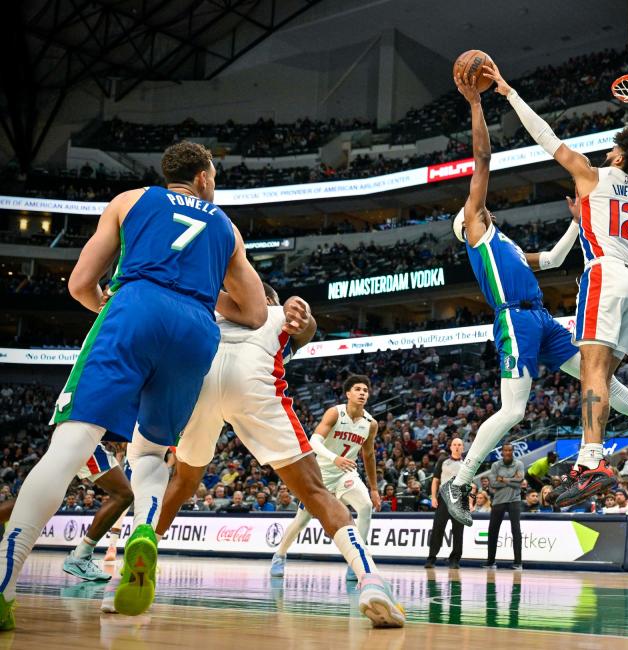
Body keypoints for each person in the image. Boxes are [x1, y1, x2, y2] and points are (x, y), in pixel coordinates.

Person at [0, 141, 268, 627]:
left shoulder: (130, 199)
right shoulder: (225, 228)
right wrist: (200, 298)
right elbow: (254, 313)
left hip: (135, 304)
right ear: (204, 178)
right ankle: (144, 531)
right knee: (148, 454)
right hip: (194, 328)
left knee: (69, 446)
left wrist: (108, 303)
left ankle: (4, 580)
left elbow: (80, 283)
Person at [440, 74, 628, 524]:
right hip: (521, 320)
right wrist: (496, 95)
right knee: (518, 408)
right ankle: (460, 482)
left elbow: (557, 257)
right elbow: (485, 159)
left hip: (547, 317)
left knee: (594, 372)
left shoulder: (510, 248)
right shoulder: (477, 232)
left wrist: (579, 218)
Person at [151, 287, 404, 626]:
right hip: (252, 385)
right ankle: (370, 580)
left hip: (203, 382)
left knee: (182, 481)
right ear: (270, 302)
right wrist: (303, 313)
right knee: (316, 493)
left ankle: (137, 561)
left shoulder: (212, 314)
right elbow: (307, 327)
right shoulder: (273, 317)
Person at [269, 375, 381, 582]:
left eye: (365, 390)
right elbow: (313, 442)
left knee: (365, 506)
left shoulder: (370, 423)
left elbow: (369, 455)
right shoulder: (335, 413)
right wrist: (334, 458)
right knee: (302, 520)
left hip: (346, 474)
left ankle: (356, 562)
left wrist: (374, 488)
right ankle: (280, 555)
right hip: (320, 474)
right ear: (348, 394)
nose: (362, 393)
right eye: (357, 389)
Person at [0, 445, 132, 582]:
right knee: (123, 495)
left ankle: (83, 556)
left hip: (67, 437)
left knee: (35, 497)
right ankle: (80, 557)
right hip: (85, 439)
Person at [426, 439, 467, 569]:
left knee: (458, 531)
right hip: (443, 498)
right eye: (454, 444)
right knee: (438, 528)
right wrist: (433, 497)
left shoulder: (467, 464)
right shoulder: (443, 461)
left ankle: (455, 559)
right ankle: (431, 558)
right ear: (450, 447)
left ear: (463, 448)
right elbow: (435, 480)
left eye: (459, 445)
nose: (457, 447)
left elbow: (470, 483)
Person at [483, 443, 524, 570]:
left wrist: (503, 479)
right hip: (498, 501)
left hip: (514, 500)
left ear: (513, 451)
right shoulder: (495, 465)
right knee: (492, 531)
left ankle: (518, 563)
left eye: (510, 450)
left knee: (516, 531)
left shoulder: (519, 464)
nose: (507, 452)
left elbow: (520, 483)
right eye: (505, 450)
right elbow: (493, 483)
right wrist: (512, 479)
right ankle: (491, 562)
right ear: (502, 452)